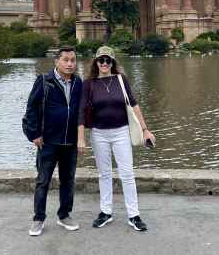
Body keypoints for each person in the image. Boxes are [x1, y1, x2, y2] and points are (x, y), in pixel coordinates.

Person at [77, 46, 155, 231]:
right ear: (96, 62)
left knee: (127, 174)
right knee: (104, 174)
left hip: (121, 132)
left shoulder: (121, 79)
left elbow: (134, 105)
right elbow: (80, 111)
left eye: (108, 60)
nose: (104, 63)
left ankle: (134, 215)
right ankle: (106, 212)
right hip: (99, 134)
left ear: (113, 62)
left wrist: (145, 130)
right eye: (101, 60)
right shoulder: (88, 84)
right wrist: (81, 137)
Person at [24, 46, 83, 236]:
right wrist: (34, 134)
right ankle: (38, 218)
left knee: (68, 181)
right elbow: (31, 109)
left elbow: (82, 110)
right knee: (43, 181)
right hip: (48, 142)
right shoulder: (44, 81)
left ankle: (64, 214)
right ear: (56, 61)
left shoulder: (78, 83)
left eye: (73, 60)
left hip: (70, 142)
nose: (70, 64)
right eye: (65, 60)